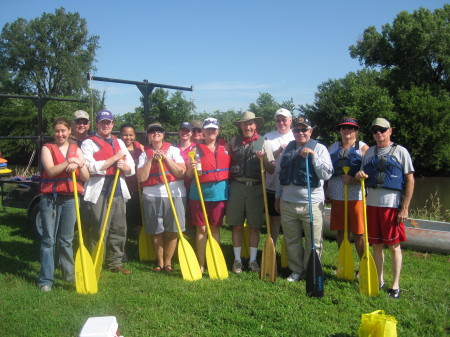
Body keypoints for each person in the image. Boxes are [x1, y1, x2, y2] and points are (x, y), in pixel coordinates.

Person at [355, 118, 414, 299]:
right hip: (371, 205)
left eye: (382, 130)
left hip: (391, 206)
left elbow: (410, 180)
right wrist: (359, 175)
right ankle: (379, 280)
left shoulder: (401, 152)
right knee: (376, 246)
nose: (378, 133)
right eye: (375, 130)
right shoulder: (370, 152)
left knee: (394, 246)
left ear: (390, 131)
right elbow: (362, 174)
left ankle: (395, 285)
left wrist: (404, 208)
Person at [274, 116, 333, 282]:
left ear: (310, 131)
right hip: (288, 202)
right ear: (293, 132)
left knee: (313, 241)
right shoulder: (288, 148)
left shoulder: (320, 148)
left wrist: (313, 156)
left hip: (311, 203)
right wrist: (278, 196)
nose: (300, 133)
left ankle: (311, 269)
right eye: (297, 130)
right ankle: (296, 270)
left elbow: (326, 174)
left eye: (304, 129)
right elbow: (281, 174)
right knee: (291, 239)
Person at [38, 117, 90, 291]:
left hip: (70, 198)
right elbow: (51, 171)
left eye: (63, 130)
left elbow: (85, 176)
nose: (60, 134)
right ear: (54, 132)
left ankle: (68, 276)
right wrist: (70, 161)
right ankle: (46, 279)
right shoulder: (47, 148)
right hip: (50, 198)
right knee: (48, 240)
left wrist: (79, 163)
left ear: (69, 132)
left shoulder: (76, 149)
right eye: (57, 131)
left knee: (66, 240)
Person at [81, 110, 135, 275]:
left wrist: (124, 166)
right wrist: (114, 159)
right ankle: (96, 260)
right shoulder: (88, 143)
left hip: (117, 189)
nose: (106, 125)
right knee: (99, 229)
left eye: (109, 122)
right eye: (102, 122)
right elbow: (91, 167)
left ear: (112, 124)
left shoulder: (119, 142)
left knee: (119, 229)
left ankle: (115, 262)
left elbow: (131, 168)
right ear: (97, 124)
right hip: (99, 191)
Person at [226, 111, 275, 274]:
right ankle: (237, 260)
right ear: (240, 126)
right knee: (237, 225)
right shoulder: (233, 142)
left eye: (250, 124)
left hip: (256, 188)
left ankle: (253, 260)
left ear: (255, 125)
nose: (248, 126)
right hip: (237, 187)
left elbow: (272, 169)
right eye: (245, 124)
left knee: (254, 226)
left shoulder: (264, 142)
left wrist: (264, 159)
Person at [137, 122, 186, 272]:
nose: (156, 133)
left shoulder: (174, 151)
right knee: (156, 231)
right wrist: (151, 159)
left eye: (159, 131)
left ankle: (168, 262)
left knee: (172, 230)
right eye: (152, 131)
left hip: (174, 194)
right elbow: (141, 178)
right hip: (151, 195)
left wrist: (166, 159)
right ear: (148, 136)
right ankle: (159, 262)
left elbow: (181, 172)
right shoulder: (144, 154)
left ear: (163, 135)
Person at [186, 117, 230, 273]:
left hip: (219, 194)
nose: (211, 132)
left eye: (214, 129)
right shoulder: (194, 150)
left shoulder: (226, 147)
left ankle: (214, 260)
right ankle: (201, 263)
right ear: (203, 132)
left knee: (215, 229)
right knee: (201, 229)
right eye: (208, 129)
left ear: (217, 131)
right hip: (199, 194)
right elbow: (189, 175)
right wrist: (191, 167)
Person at [328, 117, 369, 260]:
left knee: (358, 232)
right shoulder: (332, 147)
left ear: (356, 131)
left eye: (350, 128)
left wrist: (354, 179)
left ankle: (363, 263)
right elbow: (326, 171)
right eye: (343, 127)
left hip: (355, 195)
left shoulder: (363, 148)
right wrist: (326, 190)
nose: (346, 130)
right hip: (337, 194)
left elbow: (370, 173)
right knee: (341, 231)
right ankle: (344, 262)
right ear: (340, 130)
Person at [263, 108, 295, 246]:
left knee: (290, 220)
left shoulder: (298, 135)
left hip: (291, 187)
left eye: (284, 120)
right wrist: (279, 150)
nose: (281, 122)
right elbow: (265, 160)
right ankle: (273, 248)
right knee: (274, 219)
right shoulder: (267, 137)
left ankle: (290, 251)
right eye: (278, 120)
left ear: (290, 121)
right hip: (272, 185)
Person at [120, 123, 144, 241]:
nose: (128, 138)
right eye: (125, 135)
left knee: (139, 218)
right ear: (120, 136)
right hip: (123, 188)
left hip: (137, 188)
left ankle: (139, 243)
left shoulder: (140, 148)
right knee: (124, 217)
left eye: (131, 135)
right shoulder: (117, 147)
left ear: (134, 136)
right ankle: (124, 244)